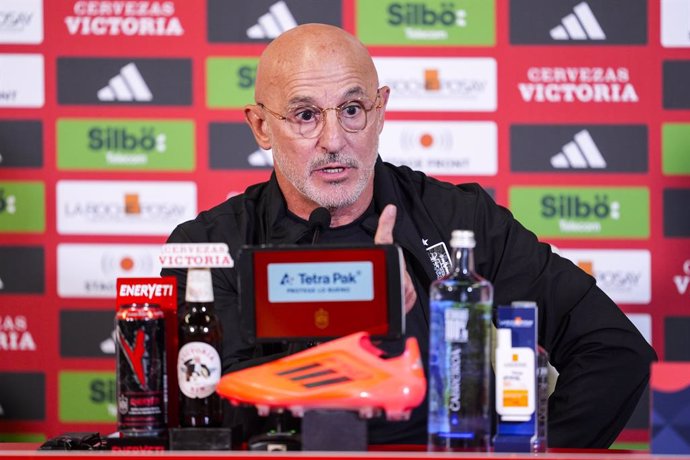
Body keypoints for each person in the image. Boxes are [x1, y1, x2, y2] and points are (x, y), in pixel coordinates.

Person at [162, 23, 656, 447]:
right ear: (261, 127)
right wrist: (357, 321)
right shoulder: (207, 247)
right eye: (306, 115)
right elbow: (210, 412)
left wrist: (532, 456)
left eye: (352, 109)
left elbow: (615, 351)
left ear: (380, 111)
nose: (334, 140)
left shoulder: (461, 220)